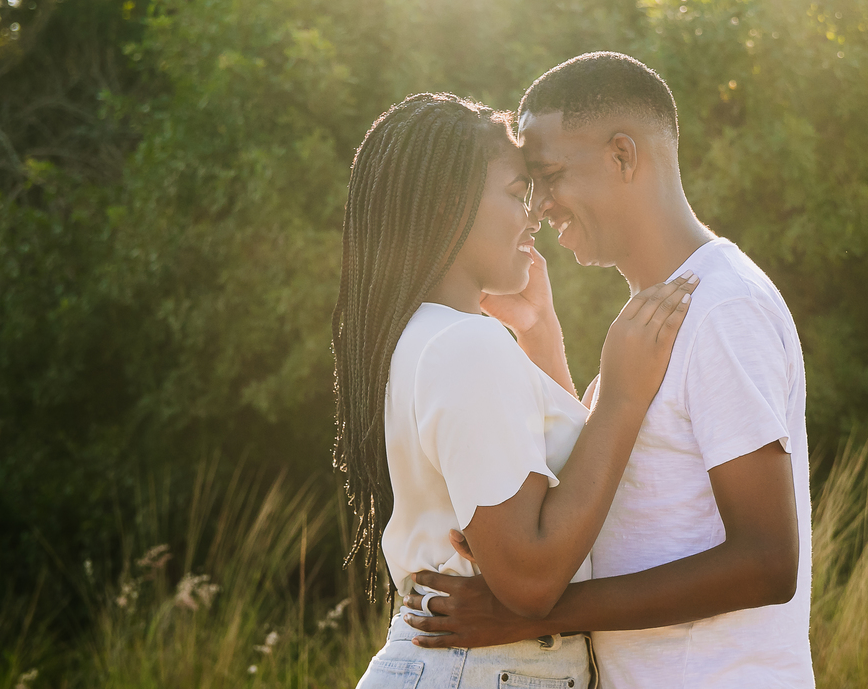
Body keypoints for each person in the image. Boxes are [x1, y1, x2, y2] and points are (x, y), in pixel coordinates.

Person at [403, 53, 815, 688]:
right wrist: (540, 334)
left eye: (549, 176)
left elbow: (766, 562)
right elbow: (618, 486)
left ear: (623, 156)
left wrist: (531, 614)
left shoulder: (722, 308)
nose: (539, 205)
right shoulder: (654, 316)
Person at [332, 92, 700, 689]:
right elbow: (530, 582)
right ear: (449, 202)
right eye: (516, 192)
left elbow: (555, 497)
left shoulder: (429, 335)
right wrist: (621, 397)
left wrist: (541, 334)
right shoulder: (466, 344)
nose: (534, 216)